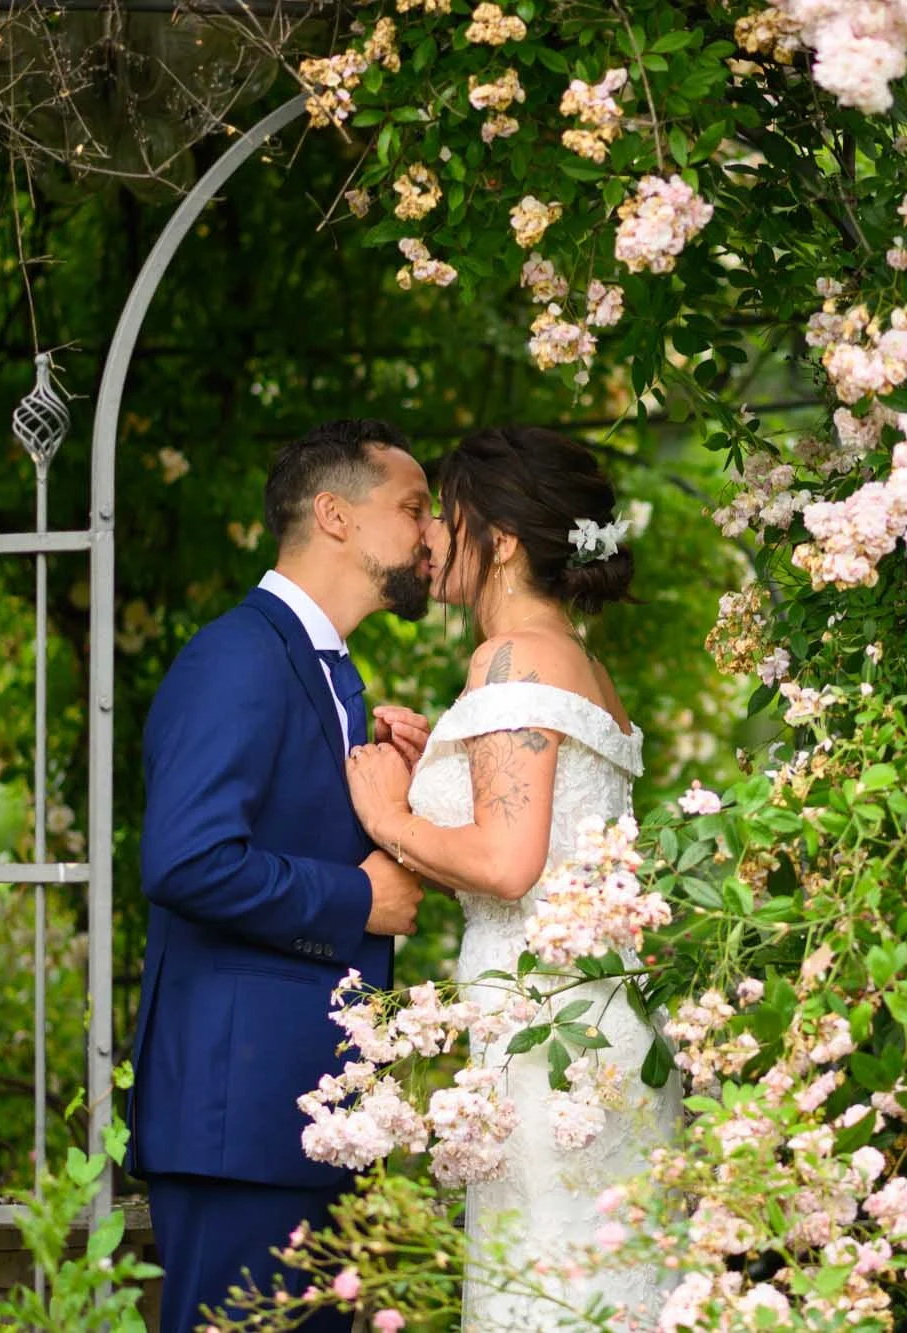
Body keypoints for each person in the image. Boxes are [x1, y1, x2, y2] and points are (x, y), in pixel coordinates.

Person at [344, 424, 682, 1330]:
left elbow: (507, 863)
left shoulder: (512, 659)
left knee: (548, 1283)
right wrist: (431, 802)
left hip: (548, 1041)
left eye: (444, 521)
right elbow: (537, 861)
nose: (428, 541)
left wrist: (390, 818)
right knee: (589, 1279)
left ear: (495, 539)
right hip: (591, 1021)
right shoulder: (580, 663)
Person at [128, 418, 433, 1333]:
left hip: (308, 1115)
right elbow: (187, 859)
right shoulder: (238, 656)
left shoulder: (332, 674)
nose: (432, 534)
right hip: (242, 1120)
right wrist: (360, 900)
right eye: (414, 507)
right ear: (334, 515)